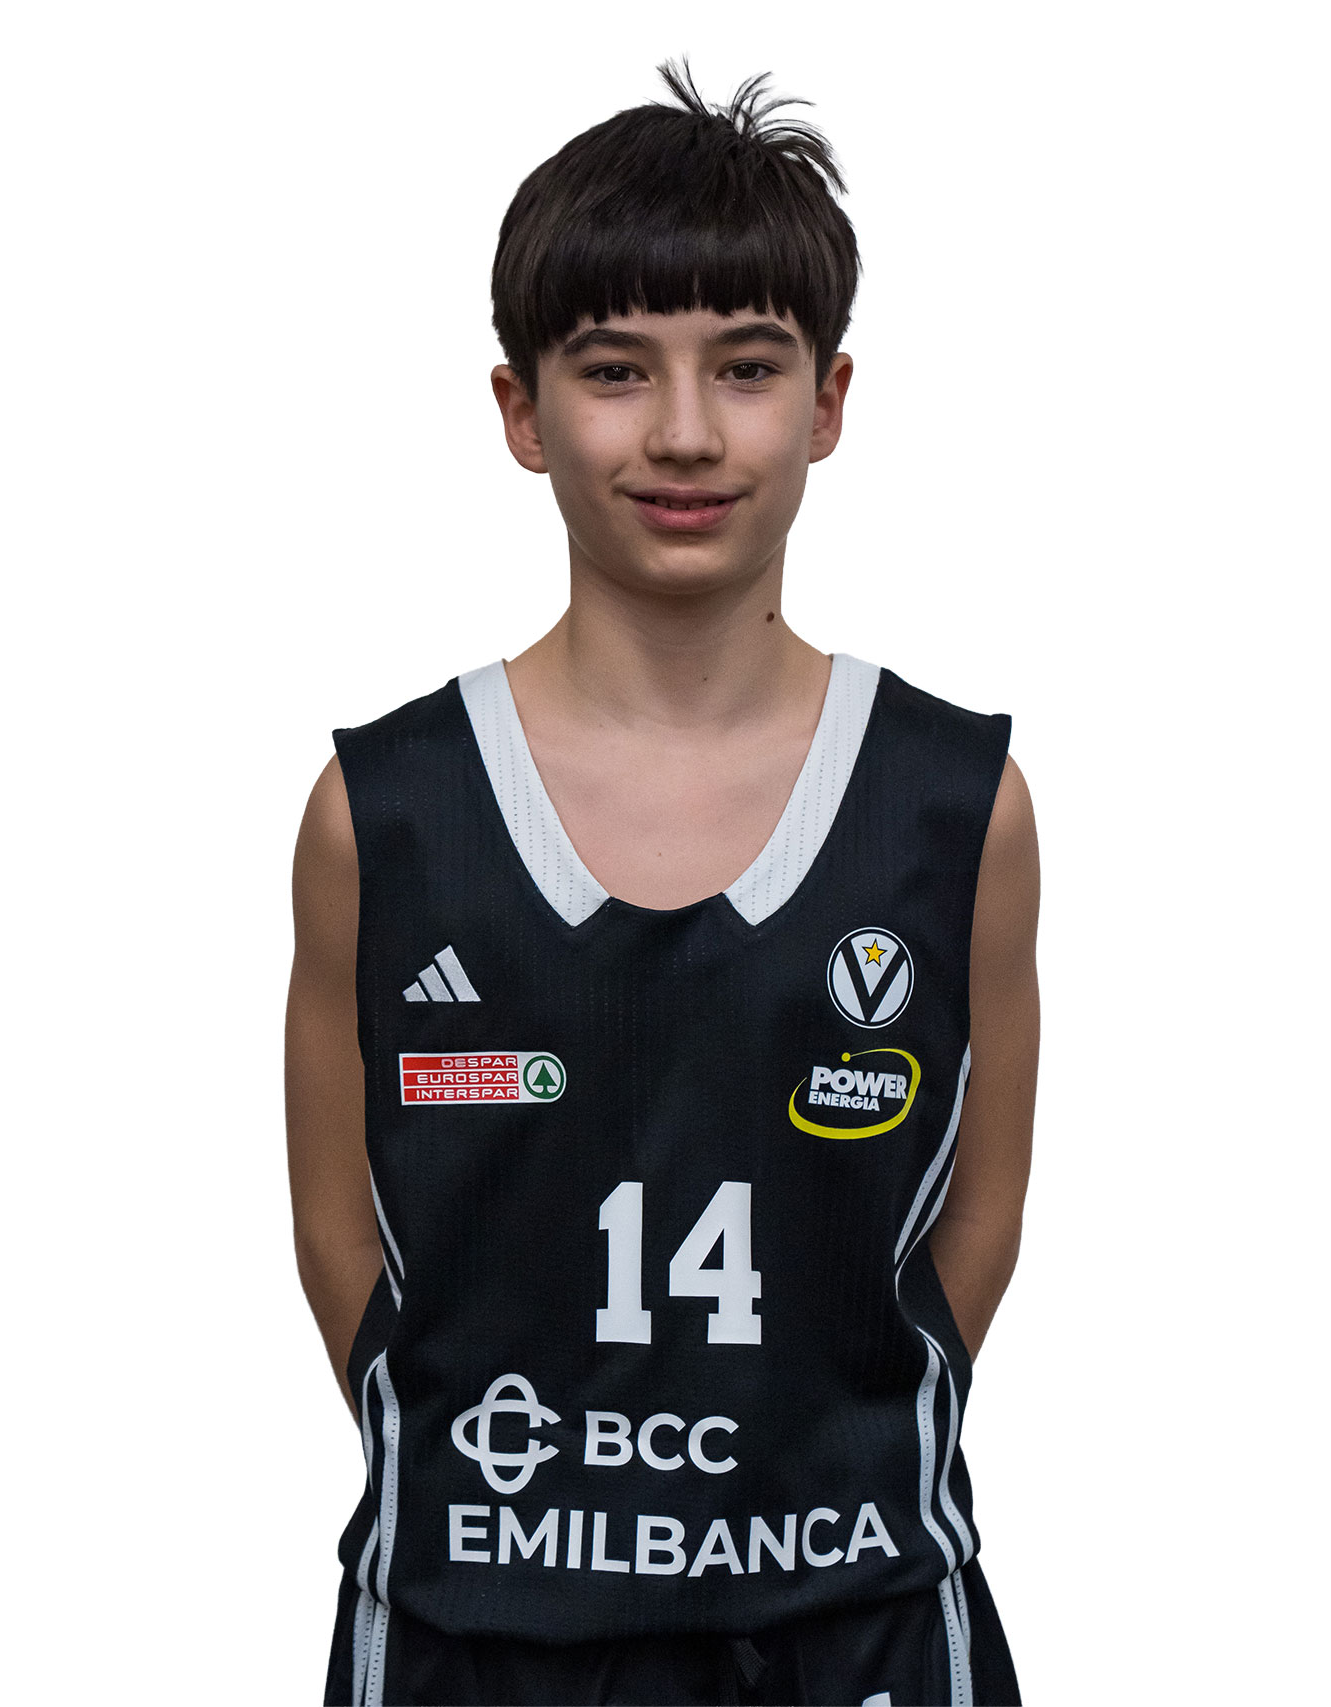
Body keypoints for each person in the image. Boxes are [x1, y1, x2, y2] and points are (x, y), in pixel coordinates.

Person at [286, 63, 1039, 1707]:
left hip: (853, 1611)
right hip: (482, 1617)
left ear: (829, 402)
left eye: (747, 368)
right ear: (521, 410)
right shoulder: (386, 810)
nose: (686, 432)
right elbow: (339, 1221)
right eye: (616, 369)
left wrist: (827, 1443)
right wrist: (500, 1483)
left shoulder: (952, 801)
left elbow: (979, 1210)